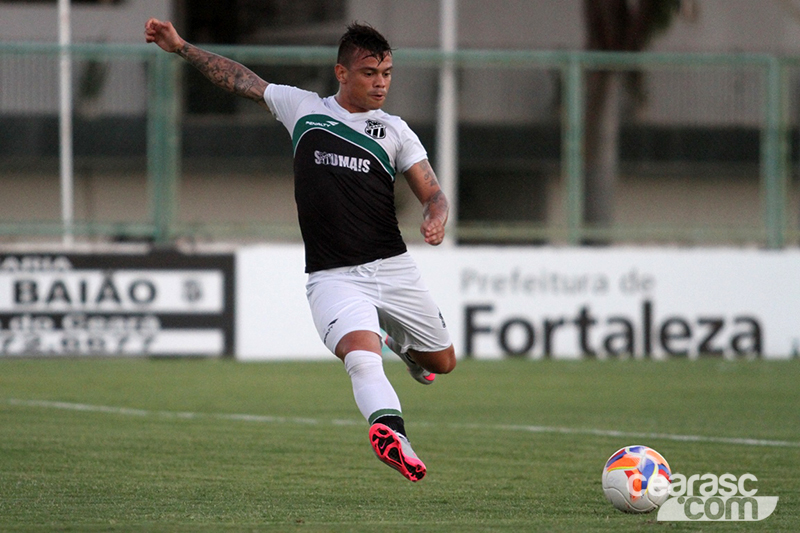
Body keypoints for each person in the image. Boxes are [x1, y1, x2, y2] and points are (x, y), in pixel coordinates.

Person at [145, 18, 456, 482]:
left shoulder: (394, 131)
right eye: (370, 72)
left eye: (387, 73)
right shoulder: (303, 108)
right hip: (334, 277)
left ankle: (406, 348)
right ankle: (393, 436)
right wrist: (181, 47)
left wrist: (436, 215)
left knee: (443, 362)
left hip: (393, 268)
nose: (381, 83)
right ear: (342, 73)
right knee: (361, 356)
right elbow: (239, 78)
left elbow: (432, 192)